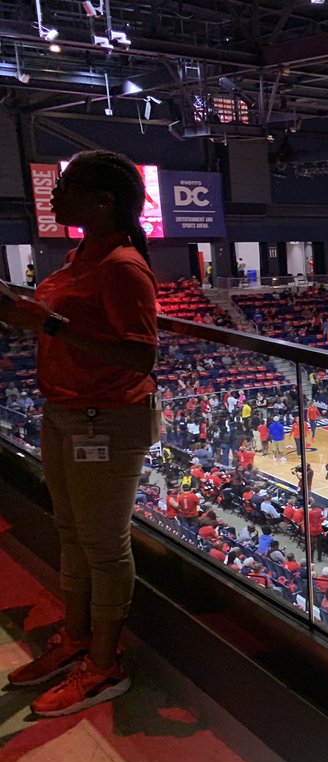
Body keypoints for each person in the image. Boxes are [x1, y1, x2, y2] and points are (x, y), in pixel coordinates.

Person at [2, 151, 160, 717]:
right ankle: (75, 643)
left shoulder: (121, 266)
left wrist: (45, 321)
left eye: (66, 187)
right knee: (71, 534)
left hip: (106, 420)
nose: (53, 194)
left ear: (103, 203)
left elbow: (141, 356)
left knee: (103, 544)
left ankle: (104, 665)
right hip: (66, 413)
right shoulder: (80, 258)